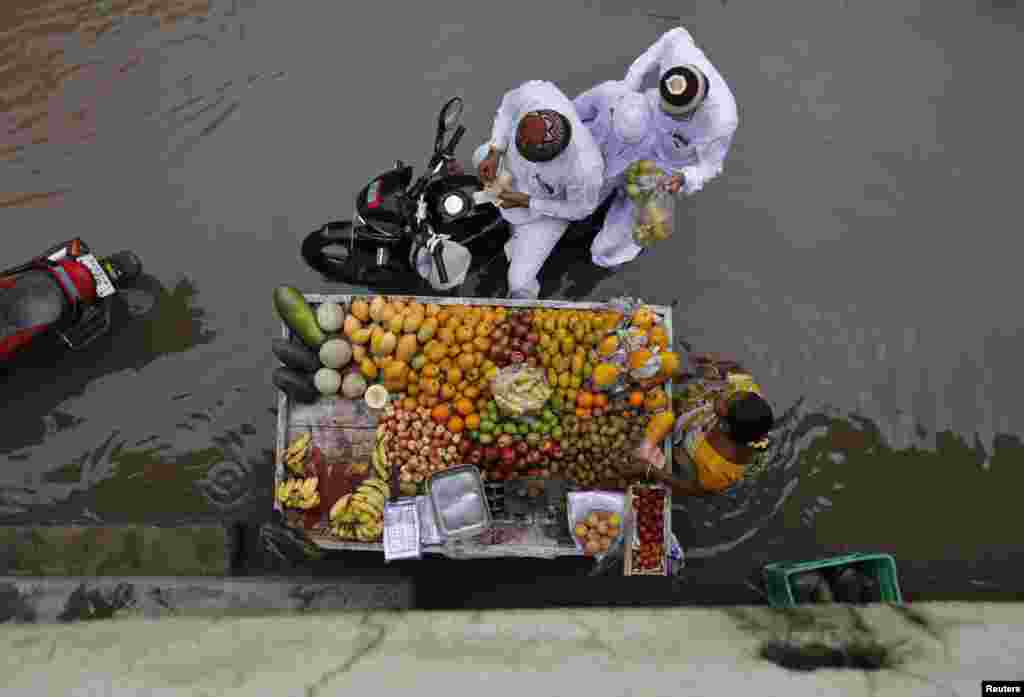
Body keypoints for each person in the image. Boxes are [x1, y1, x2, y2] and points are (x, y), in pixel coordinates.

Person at [473, 80, 605, 299]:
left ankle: (522, 247)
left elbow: (580, 209)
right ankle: (509, 222)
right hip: (512, 174)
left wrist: (526, 201)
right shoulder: (537, 93)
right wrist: (495, 152)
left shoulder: (586, 167)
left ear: (556, 153)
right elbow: (507, 108)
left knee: (518, 281)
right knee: (480, 154)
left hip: (545, 210)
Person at [621, 26, 739, 200]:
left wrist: (686, 178)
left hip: (673, 161)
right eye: (665, 106)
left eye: (675, 115)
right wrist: (625, 90)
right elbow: (673, 35)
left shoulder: (722, 121)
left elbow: (709, 166)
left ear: (697, 106)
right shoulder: (679, 50)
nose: (666, 114)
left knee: (640, 209)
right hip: (649, 123)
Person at [622, 364, 773, 497]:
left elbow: (695, 490)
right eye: (730, 395)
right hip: (698, 423)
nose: (721, 397)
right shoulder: (748, 393)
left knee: (682, 464)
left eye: (725, 402)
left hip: (691, 457)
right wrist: (710, 368)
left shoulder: (718, 469)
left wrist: (651, 470)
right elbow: (735, 369)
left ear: (724, 426)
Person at [572, 80, 665, 268]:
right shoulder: (607, 94)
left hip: (635, 172)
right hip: (594, 162)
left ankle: (609, 256)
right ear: (614, 112)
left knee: (612, 244)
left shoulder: (663, 139)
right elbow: (570, 115)